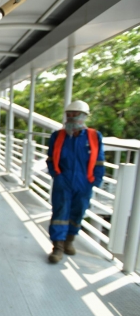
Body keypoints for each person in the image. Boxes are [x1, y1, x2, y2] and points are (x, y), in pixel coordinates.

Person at [46, 100, 105, 263]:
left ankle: (69, 241)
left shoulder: (94, 136)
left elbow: (99, 161)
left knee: (78, 212)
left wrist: (95, 181)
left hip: (84, 181)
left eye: (75, 114)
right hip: (63, 180)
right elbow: (50, 158)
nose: (71, 118)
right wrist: (56, 175)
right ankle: (57, 247)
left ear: (84, 116)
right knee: (60, 213)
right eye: (69, 114)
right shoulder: (57, 136)